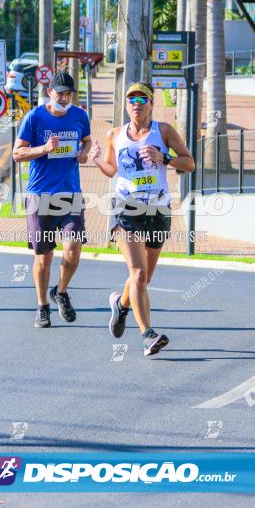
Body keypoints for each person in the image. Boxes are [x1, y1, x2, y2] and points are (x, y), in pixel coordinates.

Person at [90, 82, 195, 357]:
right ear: (126, 104)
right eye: (131, 99)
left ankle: (121, 305)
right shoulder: (115, 134)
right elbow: (112, 170)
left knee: (144, 277)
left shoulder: (164, 131)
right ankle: (148, 335)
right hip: (126, 208)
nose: (136, 103)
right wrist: (99, 159)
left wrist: (165, 157)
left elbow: (190, 163)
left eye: (142, 99)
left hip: (158, 210)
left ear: (151, 104)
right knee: (137, 273)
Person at [13, 71, 91, 328]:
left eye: (68, 94)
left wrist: (84, 153)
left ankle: (61, 291)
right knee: (43, 257)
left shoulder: (79, 115)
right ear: (50, 93)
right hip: (40, 195)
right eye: (60, 94)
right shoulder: (35, 117)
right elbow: (17, 153)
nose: (65, 98)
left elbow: (87, 141)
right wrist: (43, 149)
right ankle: (42, 306)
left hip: (70, 193)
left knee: (73, 249)